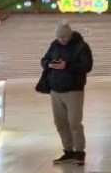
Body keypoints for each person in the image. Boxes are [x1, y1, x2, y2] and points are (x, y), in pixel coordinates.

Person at [40, 20, 94, 165]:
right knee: (60, 122)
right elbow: (44, 59)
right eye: (58, 37)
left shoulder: (81, 46)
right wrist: (49, 64)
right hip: (55, 90)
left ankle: (79, 152)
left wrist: (67, 65)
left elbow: (87, 66)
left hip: (73, 89)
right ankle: (68, 151)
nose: (61, 39)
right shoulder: (54, 45)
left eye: (63, 36)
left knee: (74, 122)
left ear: (69, 34)